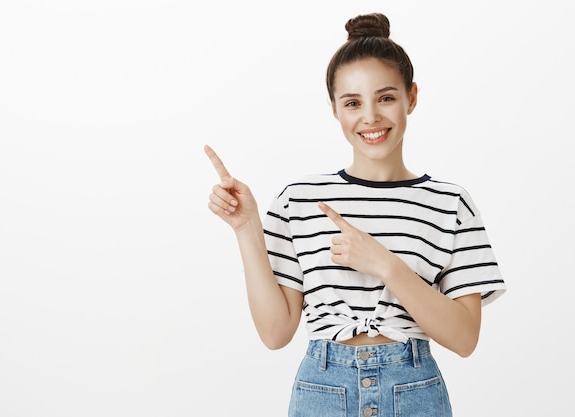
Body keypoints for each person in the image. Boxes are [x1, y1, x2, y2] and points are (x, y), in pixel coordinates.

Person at [205, 12, 506, 417]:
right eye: (352, 103)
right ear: (334, 109)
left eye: (386, 97)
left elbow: (465, 338)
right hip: (322, 391)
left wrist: (384, 264)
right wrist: (245, 228)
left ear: (411, 97)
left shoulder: (450, 202)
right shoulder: (300, 200)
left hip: (414, 391)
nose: (370, 117)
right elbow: (276, 333)